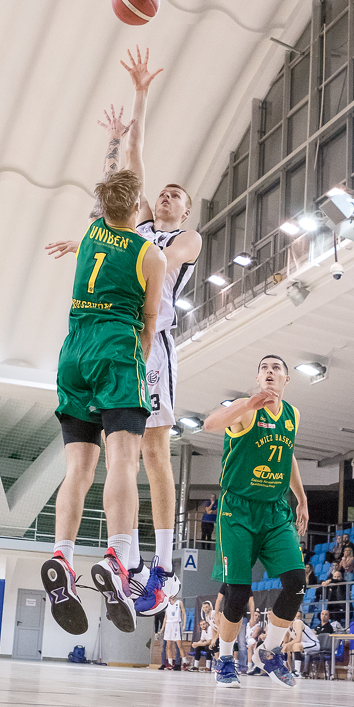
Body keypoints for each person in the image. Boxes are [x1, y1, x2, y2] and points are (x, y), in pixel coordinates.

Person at [40, 166, 166, 636]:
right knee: (123, 463)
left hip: (73, 353)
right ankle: (116, 557)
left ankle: (62, 556)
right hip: (116, 352)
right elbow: (149, 321)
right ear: (135, 207)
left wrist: (115, 144)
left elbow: (113, 184)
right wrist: (139, 363)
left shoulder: (92, 233)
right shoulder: (151, 254)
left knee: (78, 470)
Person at [120, 47, 202, 614]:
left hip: (156, 347)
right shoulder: (143, 226)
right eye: (164, 193)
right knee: (122, 450)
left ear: (185, 210)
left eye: (177, 196)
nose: (166, 196)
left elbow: (160, 267)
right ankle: (124, 558)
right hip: (122, 339)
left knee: (155, 451)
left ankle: (165, 567)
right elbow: (135, 159)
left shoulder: (184, 240)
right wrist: (141, 94)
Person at [203, 354, 309, 688]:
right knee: (238, 592)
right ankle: (224, 660)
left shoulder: (292, 415)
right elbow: (209, 424)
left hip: (275, 511)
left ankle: (269, 651)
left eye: (276, 368)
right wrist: (246, 404)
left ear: (286, 379)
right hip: (238, 510)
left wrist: (302, 498)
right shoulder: (246, 409)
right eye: (264, 368)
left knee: (296, 582)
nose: (269, 372)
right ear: (258, 377)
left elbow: (288, 455)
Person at [160, 593, 188, 670]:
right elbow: (165, 617)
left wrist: (184, 625)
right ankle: (170, 663)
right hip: (168, 625)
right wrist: (162, 628)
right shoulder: (167, 604)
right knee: (168, 645)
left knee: (179, 645)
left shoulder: (179, 603)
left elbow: (184, 614)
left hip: (176, 624)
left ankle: (185, 662)